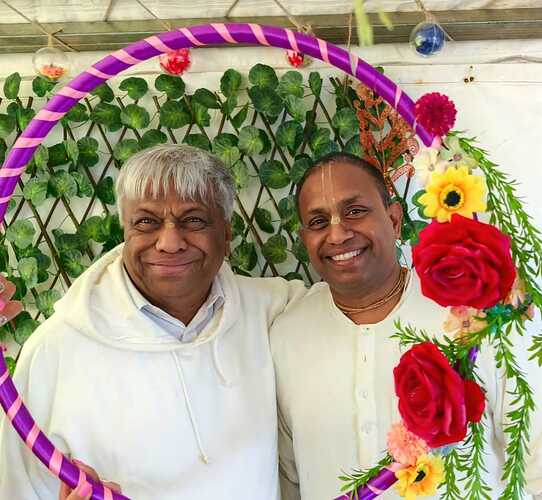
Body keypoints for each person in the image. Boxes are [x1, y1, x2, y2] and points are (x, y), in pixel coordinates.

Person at [0, 144, 306, 500]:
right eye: (147, 222)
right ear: (125, 231)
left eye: (193, 220)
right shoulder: (54, 350)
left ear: (226, 234)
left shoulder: (273, 310)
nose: (170, 242)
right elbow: (15, 488)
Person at [270, 152, 542, 500]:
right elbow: (288, 479)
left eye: (355, 211)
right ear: (304, 237)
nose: (337, 234)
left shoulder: (470, 317)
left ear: (394, 219)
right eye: (319, 222)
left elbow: (535, 460)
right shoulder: (286, 337)